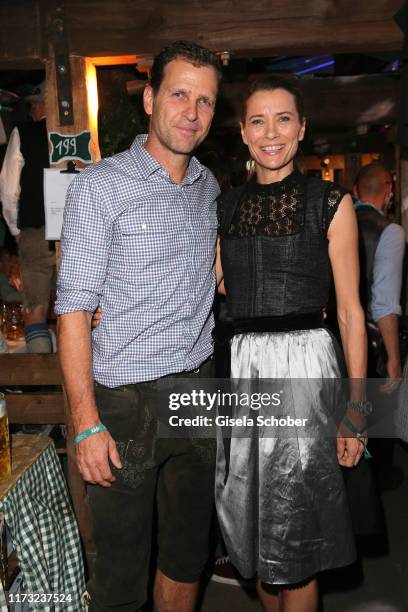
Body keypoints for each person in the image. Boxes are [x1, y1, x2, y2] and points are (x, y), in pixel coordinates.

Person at [56, 41, 221, 612]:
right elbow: (72, 309)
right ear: (151, 98)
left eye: (204, 100)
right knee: (121, 577)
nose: (191, 111)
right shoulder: (101, 186)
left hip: (199, 392)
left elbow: (216, 273)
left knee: (185, 557)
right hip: (123, 401)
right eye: (178, 94)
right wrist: (84, 425)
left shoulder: (209, 188)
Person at [215, 76, 367, 612]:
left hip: (305, 375)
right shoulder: (225, 206)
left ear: (301, 129)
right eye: (259, 120)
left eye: (284, 119)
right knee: (254, 533)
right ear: (243, 132)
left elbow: (350, 313)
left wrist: (356, 409)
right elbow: (213, 283)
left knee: (296, 542)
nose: (271, 132)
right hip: (243, 373)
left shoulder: (330, 202)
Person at [353, 163, 405, 487]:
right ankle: (377, 481)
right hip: (373, 341)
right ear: (388, 192)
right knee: (378, 414)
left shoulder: (334, 222)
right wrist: (394, 360)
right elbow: (385, 304)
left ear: (356, 192)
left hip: (337, 338)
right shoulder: (391, 231)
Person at [0, 82, 56, 352]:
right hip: (80, 234)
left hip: (36, 229)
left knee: (36, 310)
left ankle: (42, 385)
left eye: (35, 104)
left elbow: (9, 190)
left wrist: (16, 229)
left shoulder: (24, 132)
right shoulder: (82, 135)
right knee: (78, 311)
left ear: (42, 106)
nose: (33, 109)